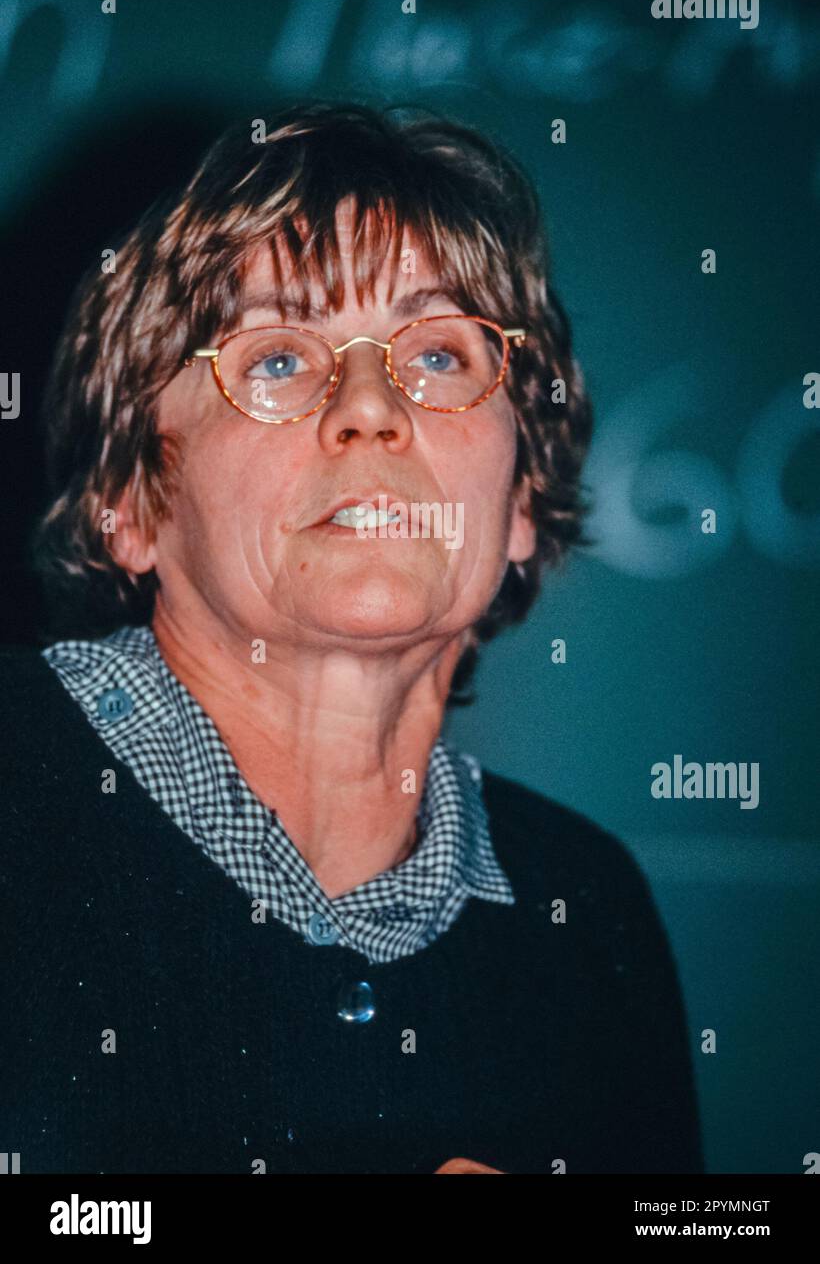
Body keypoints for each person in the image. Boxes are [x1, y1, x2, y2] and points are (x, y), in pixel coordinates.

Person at [0, 101, 704, 1174]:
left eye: (438, 355)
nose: (373, 407)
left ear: (520, 497)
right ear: (132, 504)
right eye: (278, 358)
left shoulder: (588, 912)